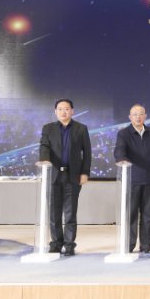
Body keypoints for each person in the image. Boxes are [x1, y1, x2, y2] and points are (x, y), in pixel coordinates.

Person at [39, 99, 92, 256]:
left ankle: (69, 245)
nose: (63, 112)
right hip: (53, 175)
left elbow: (87, 153)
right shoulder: (48, 128)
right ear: (55, 111)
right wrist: (44, 160)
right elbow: (44, 146)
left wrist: (85, 173)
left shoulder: (81, 129)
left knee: (70, 213)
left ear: (72, 111)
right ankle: (56, 243)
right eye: (60, 109)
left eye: (67, 109)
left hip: (73, 176)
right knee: (54, 213)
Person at [113, 104, 150, 253]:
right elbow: (119, 151)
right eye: (135, 114)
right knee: (131, 214)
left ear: (145, 116)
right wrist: (121, 159)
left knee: (148, 215)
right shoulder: (124, 133)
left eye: (141, 114)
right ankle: (129, 245)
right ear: (130, 117)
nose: (138, 117)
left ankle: (146, 246)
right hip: (132, 180)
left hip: (149, 179)